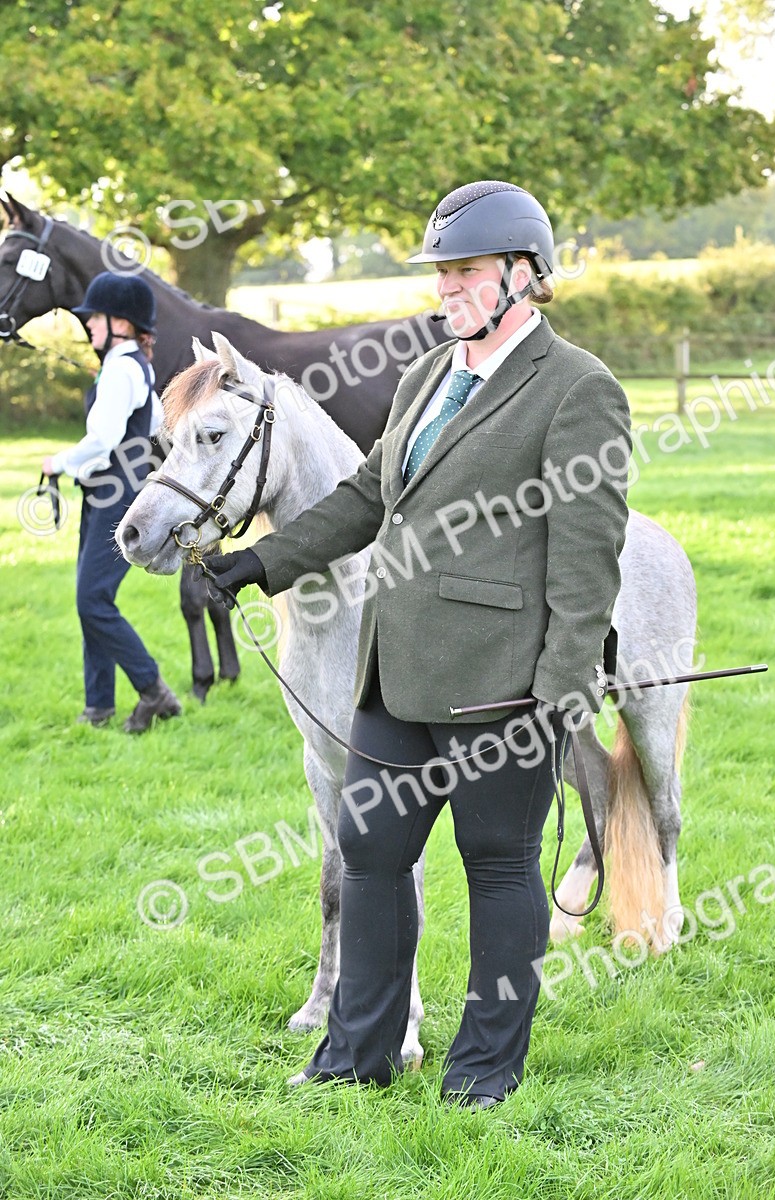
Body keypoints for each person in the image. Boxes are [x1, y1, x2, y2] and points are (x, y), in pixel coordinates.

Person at [205, 181, 632, 1107]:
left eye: (464, 272)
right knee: (369, 852)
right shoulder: (428, 375)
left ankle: (483, 1069)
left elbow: (587, 555)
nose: (446, 290)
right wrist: (262, 563)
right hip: (392, 673)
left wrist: (561, 687)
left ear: (524, 276)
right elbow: (366, 496)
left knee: (500, 866)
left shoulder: (577, 388)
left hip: (500, 686)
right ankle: (356, 1055)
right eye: (441, 274)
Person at [42, 271, 181, 733]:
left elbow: (103, 438)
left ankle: (154, 691)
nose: (89, 326)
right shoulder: (134, 365)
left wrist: (59, 462)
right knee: (91, 599)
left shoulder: (122, 368)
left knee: (92, 600)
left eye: (95, 318)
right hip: (111, 492)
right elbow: (155, 427)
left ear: (119, 322)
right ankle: (98, 705)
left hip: (114, 498)